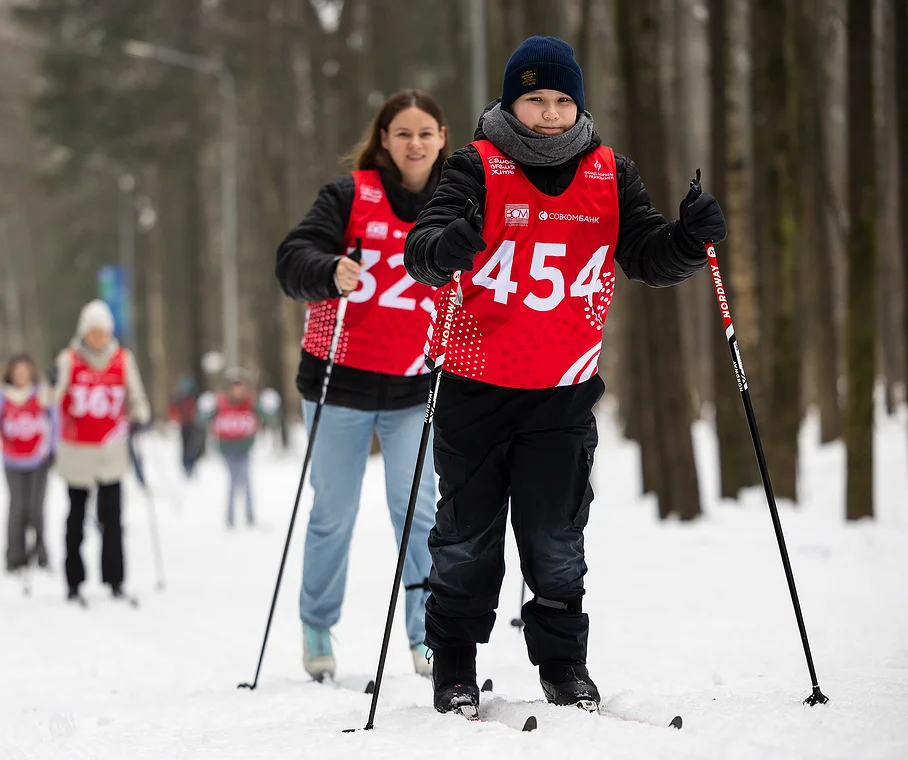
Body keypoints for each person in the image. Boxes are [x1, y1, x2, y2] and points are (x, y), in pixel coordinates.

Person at [403, 36, 728, 714]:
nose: (549, 114)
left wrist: (689, 241)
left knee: (556, 541)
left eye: (560, 101)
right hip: (476, 386)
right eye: (534, 100)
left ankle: (564, 666)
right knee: (467, 539)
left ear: (576, 103)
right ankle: (454, 668)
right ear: (510, 102)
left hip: (562, 391)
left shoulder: (611, 172)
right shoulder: (474, 166)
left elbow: (644, 254)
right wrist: (449, 244)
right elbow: (422, 253)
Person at [275, 89, 451, 680]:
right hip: (340, 381)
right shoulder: (349, 195)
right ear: (383, 139)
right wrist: (327, 269)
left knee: (418, 514)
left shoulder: (458, 201)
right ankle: (317, 624)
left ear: (443, 139)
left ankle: (427, 635)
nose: (415, 144)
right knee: (334, 513)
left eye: (426, 132)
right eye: (403, 133)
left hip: (413, 385)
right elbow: (291, 259)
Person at [50, 300, 151, 602]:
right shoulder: (68, 359)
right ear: (84, 332)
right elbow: (51, 397)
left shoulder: (122, 359)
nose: (98, 338)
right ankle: (73, 580)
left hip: (111, 450)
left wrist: (141, 416)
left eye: (103, 332)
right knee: (76, 517)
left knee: (113, 518)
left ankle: (115, 578)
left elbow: (136, 396)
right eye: (93, 332)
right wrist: (51, 383)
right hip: (77, 450)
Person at [0, 354, 56, 572]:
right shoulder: (1, 396)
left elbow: (55, 418)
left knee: (36, 508)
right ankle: (15, 556)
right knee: (17, 507)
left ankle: (40, 552)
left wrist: (53, 448)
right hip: (13, 459)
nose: (21, 375)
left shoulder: (41, 393)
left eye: (25, 370)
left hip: (39, 458)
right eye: (17, 371)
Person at [198, 368, 267, 529]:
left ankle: (250, 515)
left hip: (244, 448)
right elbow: (204, 420)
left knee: (247, 481)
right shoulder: (220, 403)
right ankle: (230, 517)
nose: (237, 390)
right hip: (228, 448)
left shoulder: (250, 402)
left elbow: (265, 416)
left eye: (240, 386)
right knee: (232, 482)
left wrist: (267, 407)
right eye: (234, 386)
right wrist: (205, 410)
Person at [168, 376, 205, 478]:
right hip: (185, 424)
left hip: (193, 424)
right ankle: (186, 467)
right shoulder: (180, 398)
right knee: (187, 446)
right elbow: (174, 410)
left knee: (191, 447)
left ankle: (190, 466)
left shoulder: (194, 397)